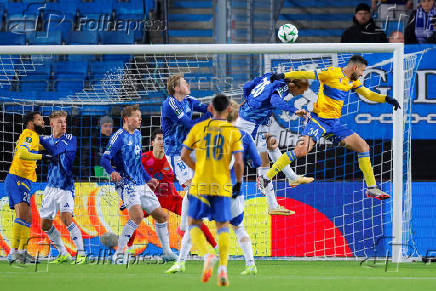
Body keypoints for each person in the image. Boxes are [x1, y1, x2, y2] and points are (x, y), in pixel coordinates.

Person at [261, 55, 401, 201]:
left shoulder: (352, 81)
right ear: (355, 67)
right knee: (301, 151)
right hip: (318, 121)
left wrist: (386, 99)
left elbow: (367, 93)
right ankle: (266, 178)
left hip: (334, 124)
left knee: (363, 147)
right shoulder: (331, 73)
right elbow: (306, 74)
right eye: (361, 71)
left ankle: (371, 188)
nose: (361, 74)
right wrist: (284, 75)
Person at [125, 128, 216, 264]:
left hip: (170, 197)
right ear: (152, 142)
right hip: (149, 198)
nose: (162, 142)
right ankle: (127, 250)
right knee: (134, 219)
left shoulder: (173, 158)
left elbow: (185, 176)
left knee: (194, 218)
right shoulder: (144, 158)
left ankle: (216, 248)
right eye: (159, 139)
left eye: (164, 139)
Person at [181, 94, 244, 286]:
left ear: (210, 108)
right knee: (223, 226)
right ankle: (223, 269)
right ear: (229, 110)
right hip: (222, 184)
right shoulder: (234, 132)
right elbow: (239, 163)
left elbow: (183, 155)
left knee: (193, 224)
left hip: (200, 183)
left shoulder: (198, 128)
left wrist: (197, 168)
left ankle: (207, 254)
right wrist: (239, 183)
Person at [100, 104, 175, 263]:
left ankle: (167, 252)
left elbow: (137, 163)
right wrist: (112, 171)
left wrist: (148, 178)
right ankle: (118, 254)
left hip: (141, 183)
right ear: (127, 119)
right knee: (137, 216)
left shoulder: (138, 135)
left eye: (140, 116)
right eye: (136, 116)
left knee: (161, 216)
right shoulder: (118, 136)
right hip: (126, 184)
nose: (140, 119)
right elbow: (104, 159)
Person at [237, 73, 313, 215]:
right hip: (250, 124)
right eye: (301, 91)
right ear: (293, 86)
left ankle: (292, 177)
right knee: (263, 161)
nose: (300, 94)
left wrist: (247, 99)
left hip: (256, 120)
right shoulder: (282, 87)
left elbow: (247, 86)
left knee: (272, 144)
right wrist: (294, 110)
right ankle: (272, 203)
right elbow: (275, 101)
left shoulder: (269, 76)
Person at [161, 74, 213, 267]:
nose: (188, 85)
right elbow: (191, 125)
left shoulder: (189, 99)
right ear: (176, 87)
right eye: (185, 83)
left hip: (189, 150)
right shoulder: (171, 103)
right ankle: (184, 229)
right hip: (175, 153)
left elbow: (206, 108)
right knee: (192, 187)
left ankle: (184, 228)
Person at [39, 111, 87, 264]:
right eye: (59, 122)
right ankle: (63, 253)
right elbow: (31, 144)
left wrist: (41, 145)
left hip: (65, 187)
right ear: (51, 124)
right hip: (50, 187)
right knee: (45, 225)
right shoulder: (46, 139)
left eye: (64, 121)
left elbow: (55, 150)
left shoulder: (71, 139)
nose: (64, 124)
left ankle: (81, 254)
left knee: (66, 219)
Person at [5, 111, 45, 264]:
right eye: (39, 120)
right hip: (17, 178)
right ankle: (13, 253)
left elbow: (43, 144)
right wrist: (42, 156)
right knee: (21, 215)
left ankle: (23, 252)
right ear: (30, 122)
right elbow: (22, 153)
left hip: (25, 180)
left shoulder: (34, 137)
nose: (43, 122)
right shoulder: (29, 134)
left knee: (28, 217)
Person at [228, 100, 260, 275]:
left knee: (192, 222)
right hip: (234, 188)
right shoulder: (245, 136)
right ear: (238, 115)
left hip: (211, 187)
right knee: (238, 227)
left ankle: (181, 260)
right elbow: (257, 162)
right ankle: (250, 264)